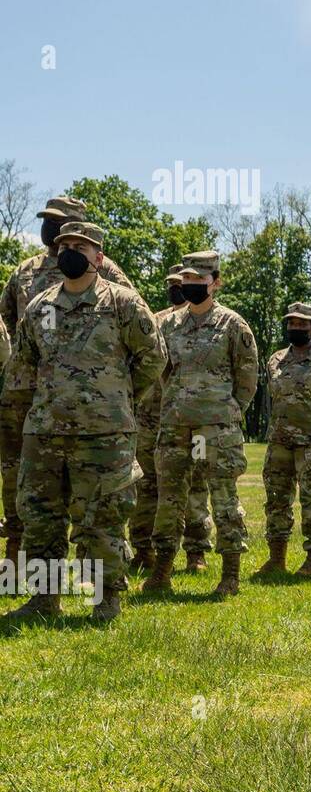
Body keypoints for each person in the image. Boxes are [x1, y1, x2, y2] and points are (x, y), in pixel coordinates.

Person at [4, 222, 163, 623]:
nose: (71, 252)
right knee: (40, 515)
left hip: (105, 433)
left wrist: (119, 399)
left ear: (99, 257)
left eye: (81, 246)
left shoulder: (124, 303)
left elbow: (153, 358)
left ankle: (105, 598)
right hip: (44, 432)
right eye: (65, 246)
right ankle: (44, 599)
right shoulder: (40, 307)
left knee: (103, 517)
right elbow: (22, 368)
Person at [0, 197, 134, 564]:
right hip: (27, 400)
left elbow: (140, 338)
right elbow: (8, 325)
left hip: (91, 409)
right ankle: (15, 559)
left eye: (58, 221)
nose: (49, 227)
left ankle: (102, 578)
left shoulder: (106, 274)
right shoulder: (25, 272)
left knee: (95, 493)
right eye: (46, 220)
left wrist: (113, 389)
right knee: (20, 482)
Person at [144, 252, 258, 598]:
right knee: (170, 498)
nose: (192, 286)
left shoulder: (233, 325)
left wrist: (227, 409)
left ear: (216, 282)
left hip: (216, 427)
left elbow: (247, 377)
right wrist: (177, 401)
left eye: (200, 281)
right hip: (175, 425)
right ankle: (161, 571)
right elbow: (161, 370)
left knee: (223, 496)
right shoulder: (168, 325)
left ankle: (230, 574)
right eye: (187, 281)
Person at [253, 303, 311, 577]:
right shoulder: (275, 360)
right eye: (291, 323)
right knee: (276, 500)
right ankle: (277, 558)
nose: (295, 328)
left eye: (302, 324)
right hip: (280, 442)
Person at [130, 266, 213, 576]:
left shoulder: (206, 323)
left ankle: (196, 551)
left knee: (195, 484)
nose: (176, 289)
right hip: (151, 417)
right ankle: (143, 549)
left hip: (188, 418)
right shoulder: (156, 321)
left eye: (181, 284)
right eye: (172, 285)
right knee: (148, 484)